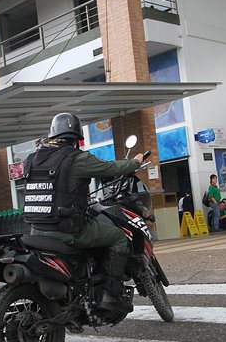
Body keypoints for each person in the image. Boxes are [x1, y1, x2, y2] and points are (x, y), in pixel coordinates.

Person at [23, 112, 143, 314]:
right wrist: (136, 162)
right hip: (68, 231)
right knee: (119, 238)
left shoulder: (32, 159)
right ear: (76, 138)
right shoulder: (77, 158)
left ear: (53, 135)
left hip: (36, 231)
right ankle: (111, 292)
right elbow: (111, 168)